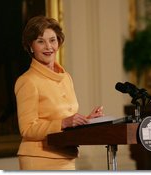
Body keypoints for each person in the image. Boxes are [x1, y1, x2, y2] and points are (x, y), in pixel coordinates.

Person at [14, 15, 104, 170]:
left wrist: (86, 121)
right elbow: (27, 129)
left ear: (59, 43)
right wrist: (63, 123)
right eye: (40, 41)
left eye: (52, 40)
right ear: (31, 46)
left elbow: (64, 118)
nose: (48, 47)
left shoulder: (66, 77)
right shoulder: (27, 81)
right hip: (39, 159)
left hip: (67, 156)